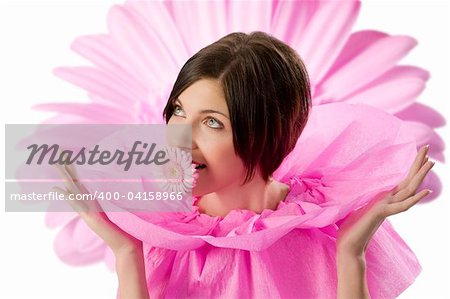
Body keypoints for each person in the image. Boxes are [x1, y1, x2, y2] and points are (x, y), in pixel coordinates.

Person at [53, 31, 434, 298]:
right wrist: (126, 253)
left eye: (212, 122)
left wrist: (351, 252)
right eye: (178, 113)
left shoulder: (319, 229)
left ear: (266, 132)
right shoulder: (165, 234)